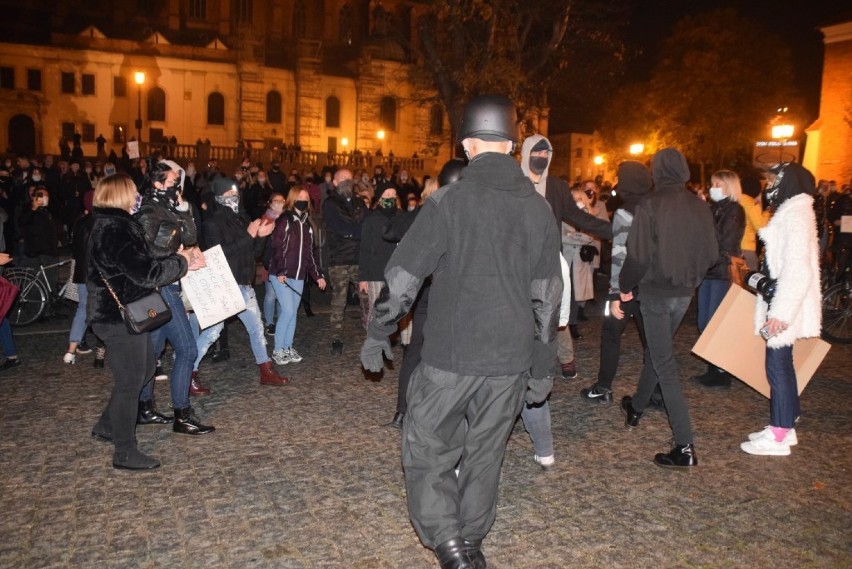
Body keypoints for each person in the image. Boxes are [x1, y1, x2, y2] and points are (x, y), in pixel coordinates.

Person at [361, 95, 562, 569]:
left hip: (451, 356)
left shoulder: (448, 202)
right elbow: (548, 297)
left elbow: (404, 276)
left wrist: (378, 330)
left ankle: (451, 546)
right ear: (512, 145)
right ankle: (470, 543)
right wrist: (542, 365)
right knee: (486, 455)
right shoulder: (537, 211)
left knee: (427, 446)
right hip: (510, 359)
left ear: (469, 144)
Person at [88, 174, 203, 470]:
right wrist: (182, 264)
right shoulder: (114, 229)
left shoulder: (115, 225)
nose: (137, 195)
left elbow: (142, 258)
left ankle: (106, 425)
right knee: (130, 381)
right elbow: (147, 273)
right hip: (117, 316)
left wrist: (178, 254)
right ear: (120, 195)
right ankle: (125, 452)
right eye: (133, 191)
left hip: (126, 311)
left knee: (147, 368)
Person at [618, 147, 718, 469]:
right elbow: (712, 252)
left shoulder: (651, 204)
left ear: (657, 172)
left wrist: (624, 286)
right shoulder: (698, 206)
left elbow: (637, 255)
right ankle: (636, 406)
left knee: (664, 363)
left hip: (657, 293)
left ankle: (685, 444)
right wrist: (692, 276)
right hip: (684, 293)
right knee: (657, 353)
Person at [741, 162, 821, 456]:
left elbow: (798, 270)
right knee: (782, 366)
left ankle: (779, 433)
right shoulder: (793, 212)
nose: (770, 185)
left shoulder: (795, 215)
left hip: (786, 304)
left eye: (775, 180)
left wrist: (780, 314)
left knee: (777, 368)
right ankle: (785, 426)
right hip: (785, 302)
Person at [519, 134, 613, 380]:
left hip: (549, 260)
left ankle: (565, 358)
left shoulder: (558, 187)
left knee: (552, 311)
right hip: (518, 261)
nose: (541, 158)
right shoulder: (514, 182)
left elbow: (578, 216)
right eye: (536, 153)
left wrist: (613, 230)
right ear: (525, 153)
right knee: (520, 313)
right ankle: (523, 363)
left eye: (545, 154)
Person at [135, 158, 214, 435]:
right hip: (160, 288)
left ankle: (144, 408)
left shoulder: (169, 207)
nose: (176, 188)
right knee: (188, 349)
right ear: (157, 184)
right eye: (171, 183)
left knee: (153, 352)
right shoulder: (148, 211)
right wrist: (177, 256)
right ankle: (182, 414)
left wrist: (183, 208)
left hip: (169, 285)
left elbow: (191, 236)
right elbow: (142, 254)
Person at [192, 177, 288, 386]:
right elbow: (218, 255)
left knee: (256, 328)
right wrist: (249, 235)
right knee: (212, 333)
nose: (233, 199)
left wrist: (262, 235)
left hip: (244, 283)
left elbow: (254, 252)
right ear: (218, 197)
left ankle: (266, 370)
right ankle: (189, 372)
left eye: (235, 195)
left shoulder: (242, 218)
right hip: (225, 285)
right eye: (227, 195)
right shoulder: (212, 223)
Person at [581, 161, 653, 404]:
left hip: (628, 286)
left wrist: (615, 292)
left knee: (611, 334)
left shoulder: (625, 212)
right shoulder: (657, 206)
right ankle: (654, 391)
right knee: (652, 342)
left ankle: (603, 388)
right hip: (653, 286)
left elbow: (621, 254)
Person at [694, 170, 746, 389]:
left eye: (718, 184)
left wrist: (705, 213)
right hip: (707, 271)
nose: (712, 187)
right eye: (712, 183)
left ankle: (721, 372)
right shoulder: (714, 208)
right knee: (703, 322)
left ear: (729, 187)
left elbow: (723, 241)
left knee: (715, 321)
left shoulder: (734, 210)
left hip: (722, 272)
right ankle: (713, 367)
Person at [267, 186, 326, 365]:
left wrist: (318, 276)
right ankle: (278, 349)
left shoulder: (307, 225)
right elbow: (277, 247)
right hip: (281, 275)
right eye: (300, 196)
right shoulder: (286, 220)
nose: (304, 200)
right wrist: (280, 271)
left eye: (306, 197)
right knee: (287, 311)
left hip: (299, 276)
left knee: (293, 314)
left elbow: (309, 254)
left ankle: (287, 347)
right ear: (293, 199)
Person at [322, 168, 366, 354]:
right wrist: (355, 231)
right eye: (343, 179)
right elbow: (338, 227)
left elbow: (365, 225)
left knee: (366, 298)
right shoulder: (330, 203)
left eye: (349, 178)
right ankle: (336, 338)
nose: (347, 181)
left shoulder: (359, 202)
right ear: (334, 182)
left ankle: (372, 334)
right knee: (339, 300)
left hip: (358, 258)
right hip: (338, 259)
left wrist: (354, 231)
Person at [739, 175, 770, 271]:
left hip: (734, 247)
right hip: (747, 248)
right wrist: (767, 213)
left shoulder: (736, 199)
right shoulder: (750, 203)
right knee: (749, 280)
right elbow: (761, 227)